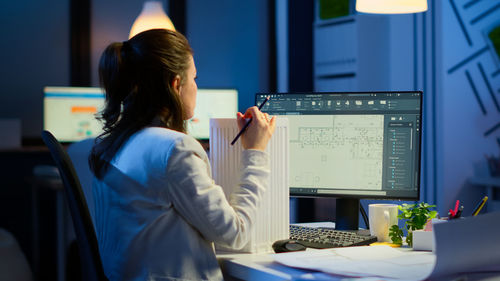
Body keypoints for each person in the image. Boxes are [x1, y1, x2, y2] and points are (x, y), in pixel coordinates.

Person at [88, 29, 276, 281]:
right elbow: (235, 234)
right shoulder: (175, 148)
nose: (196, 87)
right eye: (194, 78)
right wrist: (256, 151)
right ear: (176, 84)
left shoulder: (116, 144)